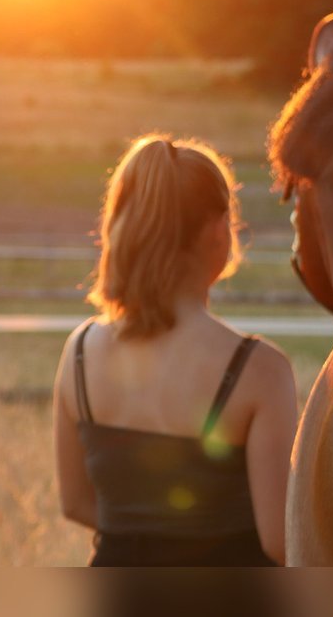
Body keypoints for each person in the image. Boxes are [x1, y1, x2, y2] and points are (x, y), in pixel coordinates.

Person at [53, 133, 299, 566]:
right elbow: (280, 542)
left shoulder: (79, 352)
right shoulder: (259, 370)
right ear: (218, 231)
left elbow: (74, 502)